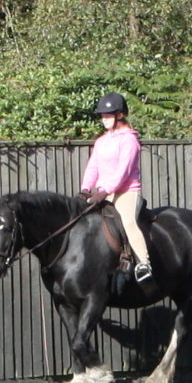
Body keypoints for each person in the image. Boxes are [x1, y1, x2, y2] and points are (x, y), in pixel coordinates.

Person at [80, 92, 153, 282]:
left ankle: (143, 263)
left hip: (127, 192)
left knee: (128, 221)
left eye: (107, 115)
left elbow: (123, 172)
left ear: (120, 115)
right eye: (102, 116)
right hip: (104, 193)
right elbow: (93, 166)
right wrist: (85, 188)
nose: (103, 119)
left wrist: (103, 192)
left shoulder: (129, 140)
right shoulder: (101, 141)